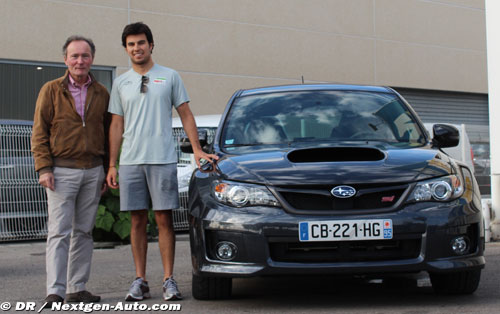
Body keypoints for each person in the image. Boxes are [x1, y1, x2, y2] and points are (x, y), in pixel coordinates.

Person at [106, 22, 218, 302]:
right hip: (131, 162)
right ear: (125, 49)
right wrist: (111, 164)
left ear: (151, 45)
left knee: (164, 219)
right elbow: (116, 125)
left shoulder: (169, 77)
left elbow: (186, 114)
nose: (136, 48)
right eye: (131, 44)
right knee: (136, 221)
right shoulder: (121, 82)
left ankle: (169, 279)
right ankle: (140, 280)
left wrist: (197, 149)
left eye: (141, 43)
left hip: (162, 159)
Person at [32, 35, 110, 308]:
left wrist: (106, 168)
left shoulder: (101, 92)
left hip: (92, 171)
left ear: (92, 59)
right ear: (65, 59)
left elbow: (107, 133)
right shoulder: (51, 90)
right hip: (61, 172)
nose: (80, 61)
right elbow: (39, 132)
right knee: (59, 232)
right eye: (74, 56)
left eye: (85, 56)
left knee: (84, 232)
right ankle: (55, 290)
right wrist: (43, 167)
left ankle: (77, 287)